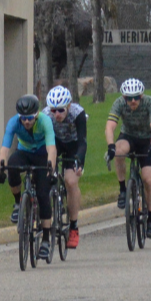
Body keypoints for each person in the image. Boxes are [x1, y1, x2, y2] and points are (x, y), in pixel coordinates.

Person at [0, 94, 57, 264]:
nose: (26, 122)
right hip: (24, 152)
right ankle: (18, 203)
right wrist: (2, 168)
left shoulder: (45, 121)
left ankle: (45, 239)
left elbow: (52, 148)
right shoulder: (13, 122)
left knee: (42, 193)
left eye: (30, 118)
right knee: (12, 166)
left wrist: (51, 170)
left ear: (36, 114)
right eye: (23, 118)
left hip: (42, 154)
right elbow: (5, 147)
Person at [105, 78, 151, 237]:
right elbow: (110, 126)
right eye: (129, 98)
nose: (133, 101)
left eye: (136, 97)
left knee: (149, 179)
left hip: (146, 140)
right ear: (124, 98)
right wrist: (110, 146)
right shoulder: (119, 103)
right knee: (118, 151)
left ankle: (150, 218)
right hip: (128, 136)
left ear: (141, 96)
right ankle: (123, 189)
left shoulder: (150, 102)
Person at [46, 85, 87, 249]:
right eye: (54, 110)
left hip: (73, 146)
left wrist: (79, 160)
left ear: (69, 106)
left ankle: (73, 226)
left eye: (61, 110)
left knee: (71, 182)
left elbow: (83, 141)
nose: (57, 114)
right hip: (55, 144)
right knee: (47, 175)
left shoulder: (78, 113)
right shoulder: (45, 115)